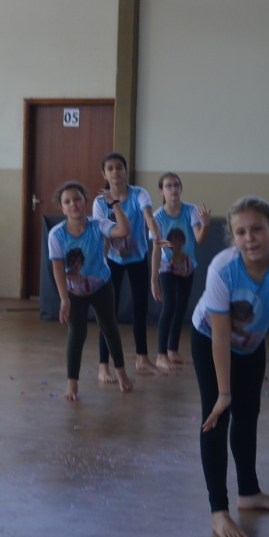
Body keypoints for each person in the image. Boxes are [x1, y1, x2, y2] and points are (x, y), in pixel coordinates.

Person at [189, 196, 269, 537]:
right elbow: (220, 334)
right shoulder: (223, 268)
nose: (250, 238)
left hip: (251, 345)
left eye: (257, 229)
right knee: (216, 417)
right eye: (241, 232)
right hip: (211, 338)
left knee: (248, 413)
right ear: (233, 238)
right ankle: (218, 511)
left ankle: (249, 493)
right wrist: (224, 393)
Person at [49, 181, 134, 401]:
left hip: (101, 285)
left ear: (86, 201)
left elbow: (124, 230)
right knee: (77, 334)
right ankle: (72, 384)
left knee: (109, 328)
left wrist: (114, 204)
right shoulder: (56, 235)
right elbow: (58, 269)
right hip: (74, 291)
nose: (73, 204)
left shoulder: (99, 224)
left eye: (77, 199)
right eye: (67, 201)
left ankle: (122, 374)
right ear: (62, 207)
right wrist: (63, 298)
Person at [93, 152, 161, 380]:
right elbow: (103, 235)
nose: (115, 172)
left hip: (137, 257)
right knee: (107, 313)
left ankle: (142, 358)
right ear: (104, 173)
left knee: (140, 309)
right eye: (110, 168)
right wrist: (100, 267)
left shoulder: (139, 193)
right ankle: (103, 365)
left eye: (119, 167)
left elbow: (149, 216)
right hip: (112, 260)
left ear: (126, 170)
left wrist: (155, 233)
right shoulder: (100, 201)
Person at [150, 172, 210, 372]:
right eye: (168, 186)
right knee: (169, 306)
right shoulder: (157, 217)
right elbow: (157, 250)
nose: (173, 189)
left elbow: (199, 239)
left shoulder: (191, 210)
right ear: (161, 191)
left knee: (181, 307)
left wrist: (206, 224)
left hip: (187, 265)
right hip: (167, 267)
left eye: (176, 185)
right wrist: (154, 279)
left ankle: (173, 351)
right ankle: (161, 355)